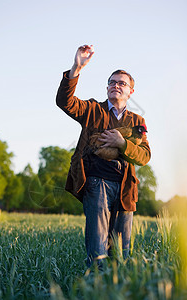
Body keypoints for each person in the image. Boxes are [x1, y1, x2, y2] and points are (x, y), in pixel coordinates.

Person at [56, 45, 151, 268]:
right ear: (107, 87)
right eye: (112, 82)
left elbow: (145, 156)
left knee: (121, 251)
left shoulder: (137, 121)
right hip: (96, 183)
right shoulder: (92, 110)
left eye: (121, 83)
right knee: (98, 249)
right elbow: (65, 102)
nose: (116, 85)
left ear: (131, 92)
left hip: (126, 187)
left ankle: (117, 289)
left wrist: (122, 144)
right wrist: (76, 68)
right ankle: (95, 287)